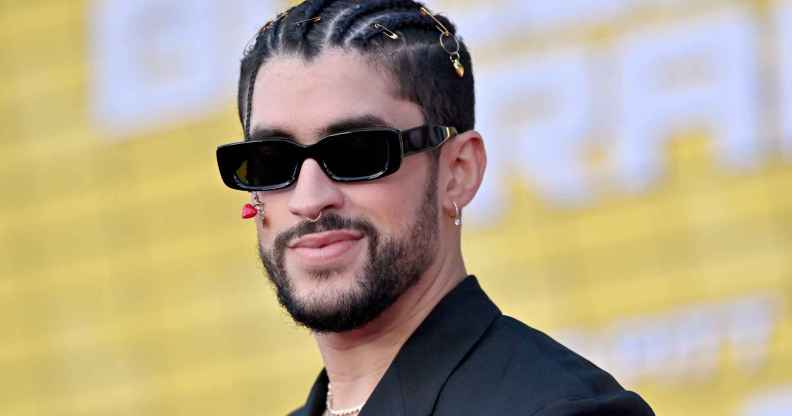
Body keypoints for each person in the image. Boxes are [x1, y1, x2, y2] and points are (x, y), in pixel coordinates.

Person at [216, 1, 655, 415]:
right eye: (272, 161)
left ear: (458, 171)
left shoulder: (557, 409)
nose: (308, 200)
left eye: (358, 154)